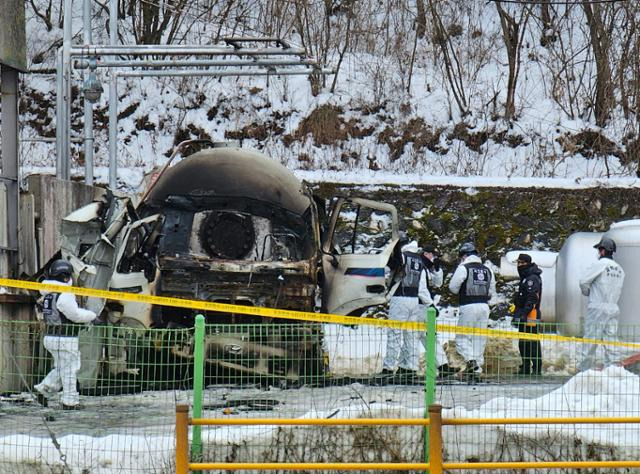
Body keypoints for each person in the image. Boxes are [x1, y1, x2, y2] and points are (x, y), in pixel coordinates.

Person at [34, 259, 97, 410]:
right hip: (65, 337)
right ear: (65, 277)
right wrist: (92, 316)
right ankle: (70, 402)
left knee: (62, 368)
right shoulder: (64, 294)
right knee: (70, 369)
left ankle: (44, 389)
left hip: (50, 336)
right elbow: (74, 315)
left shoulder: (49, 293)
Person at [380, 235, 432, 381]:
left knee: (395, 334)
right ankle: (410, 367)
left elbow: (386, 269)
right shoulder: (419, 260)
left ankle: (388, 367)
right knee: (411, 335)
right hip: (414, 300)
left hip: (399, 298)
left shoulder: (401, 256)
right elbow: (422, 285)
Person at [449, 242, 495, 379]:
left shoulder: (463, 268)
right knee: (479, 338)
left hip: (468, 305)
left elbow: (453, 287)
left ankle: (471, 361)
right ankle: (476, 369)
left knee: (462, 338)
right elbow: (492, 291)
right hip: (484, 306)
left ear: (464, 256)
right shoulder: (488, 270)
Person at [578, 237, 625, 371]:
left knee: (591, 339)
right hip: (613, 307)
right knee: (611, 339)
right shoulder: (620, 269)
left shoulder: (600, 264)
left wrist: (588, 293)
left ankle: (584, 370)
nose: (598, 253)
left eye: (599, 250)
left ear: (603, 251)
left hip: (597, 306)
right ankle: (614, 369)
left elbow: (583, 281)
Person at [419, 245, 454, 378]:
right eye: (433, 255)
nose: (434, 258)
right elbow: (422, 289)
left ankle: (443, 365)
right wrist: (430, 305)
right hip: (420, 306)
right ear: (427, 254)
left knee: (429, 336)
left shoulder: (427, 268)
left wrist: (438, 270)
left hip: (424, 306)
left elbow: (437, 283)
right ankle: (405, 368)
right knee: (422, 336)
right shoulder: (421, 266)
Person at [512, 254, 542, 376]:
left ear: (527, 263)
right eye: (518, 263)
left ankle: (536, 368)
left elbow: (532, 298)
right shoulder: (526, 277)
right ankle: (525, 366)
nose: (519, 265)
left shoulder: (531, 278)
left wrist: (524, 313)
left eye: (521, 263)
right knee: (524, 342)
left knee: (532, 342)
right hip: (525, 314)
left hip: (531, 315)